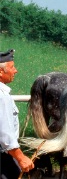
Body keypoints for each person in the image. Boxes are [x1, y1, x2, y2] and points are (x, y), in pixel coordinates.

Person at [0, 49, 34, 179]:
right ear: (1, 72)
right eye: (12, 67)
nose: (16, 71)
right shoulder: (2, 96)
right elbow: (4, 134)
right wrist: (21, 158)